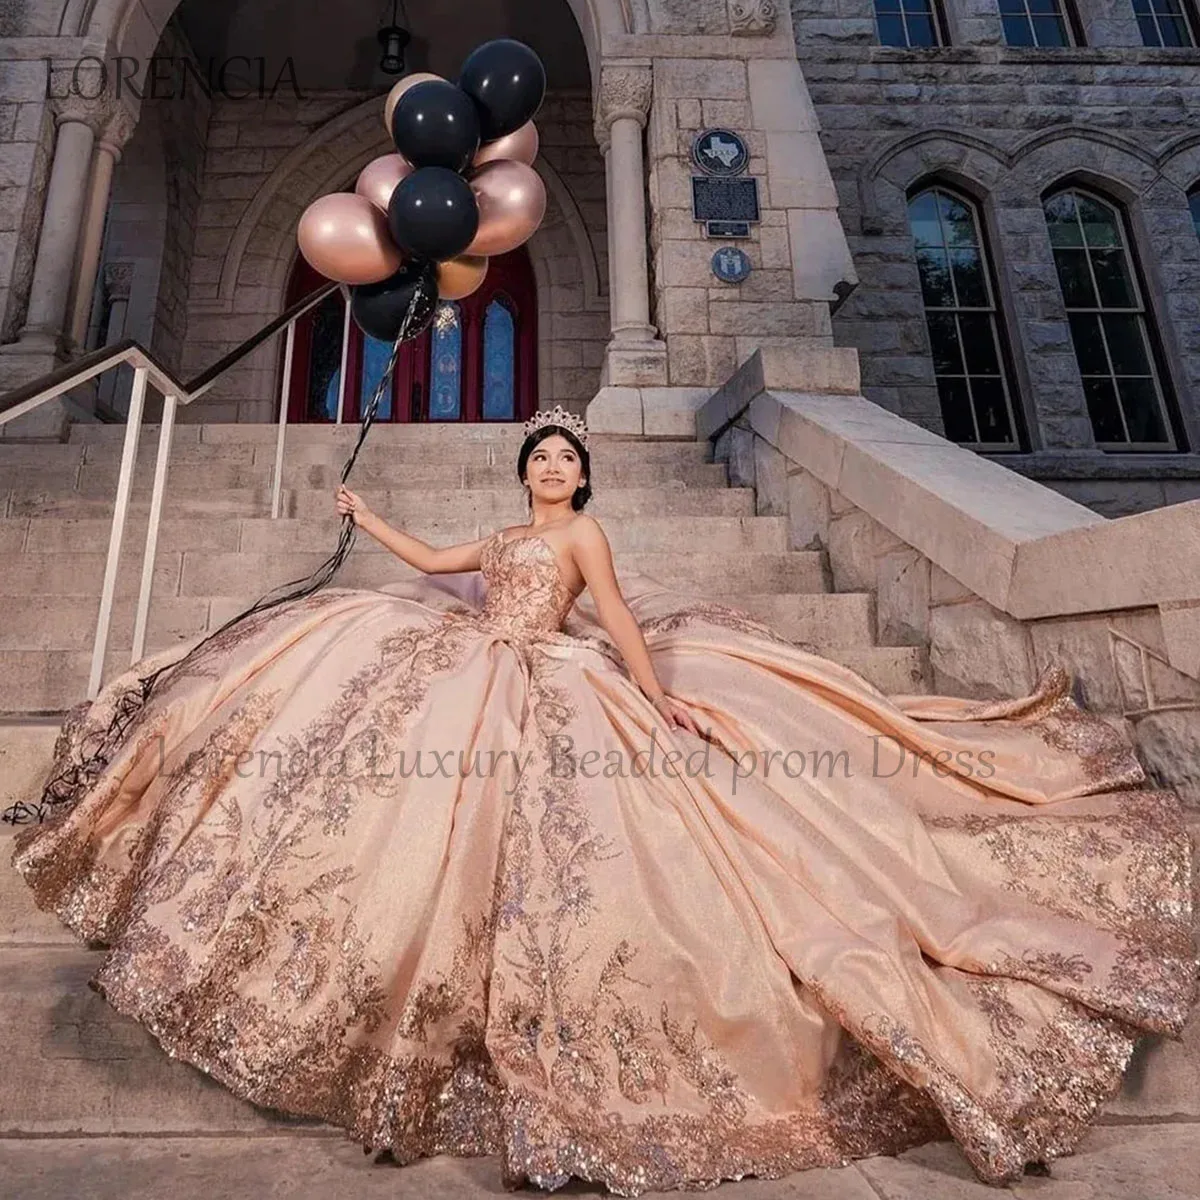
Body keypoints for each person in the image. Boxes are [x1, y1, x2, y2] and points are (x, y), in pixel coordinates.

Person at [6, 406, 1197, 1196]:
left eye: (566, 460)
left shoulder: (585, 537)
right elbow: (431, 572)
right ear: (521, 471)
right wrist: (367, 521)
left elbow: (616, 619)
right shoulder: (501, 530)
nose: (552, 470)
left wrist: (652, 692)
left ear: (585, 477)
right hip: (469, 659)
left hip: (555, 674)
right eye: (539, 459)